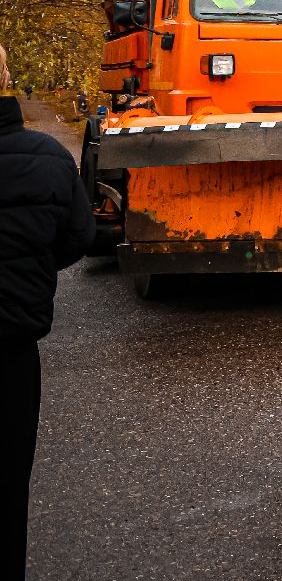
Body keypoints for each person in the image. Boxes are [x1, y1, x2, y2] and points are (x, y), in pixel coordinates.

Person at [0, 44, 94, 575]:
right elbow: (77, 238)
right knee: (9, 484)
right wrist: (27, 269)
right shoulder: (47, 157)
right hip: (12, 346)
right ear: (7, 77)